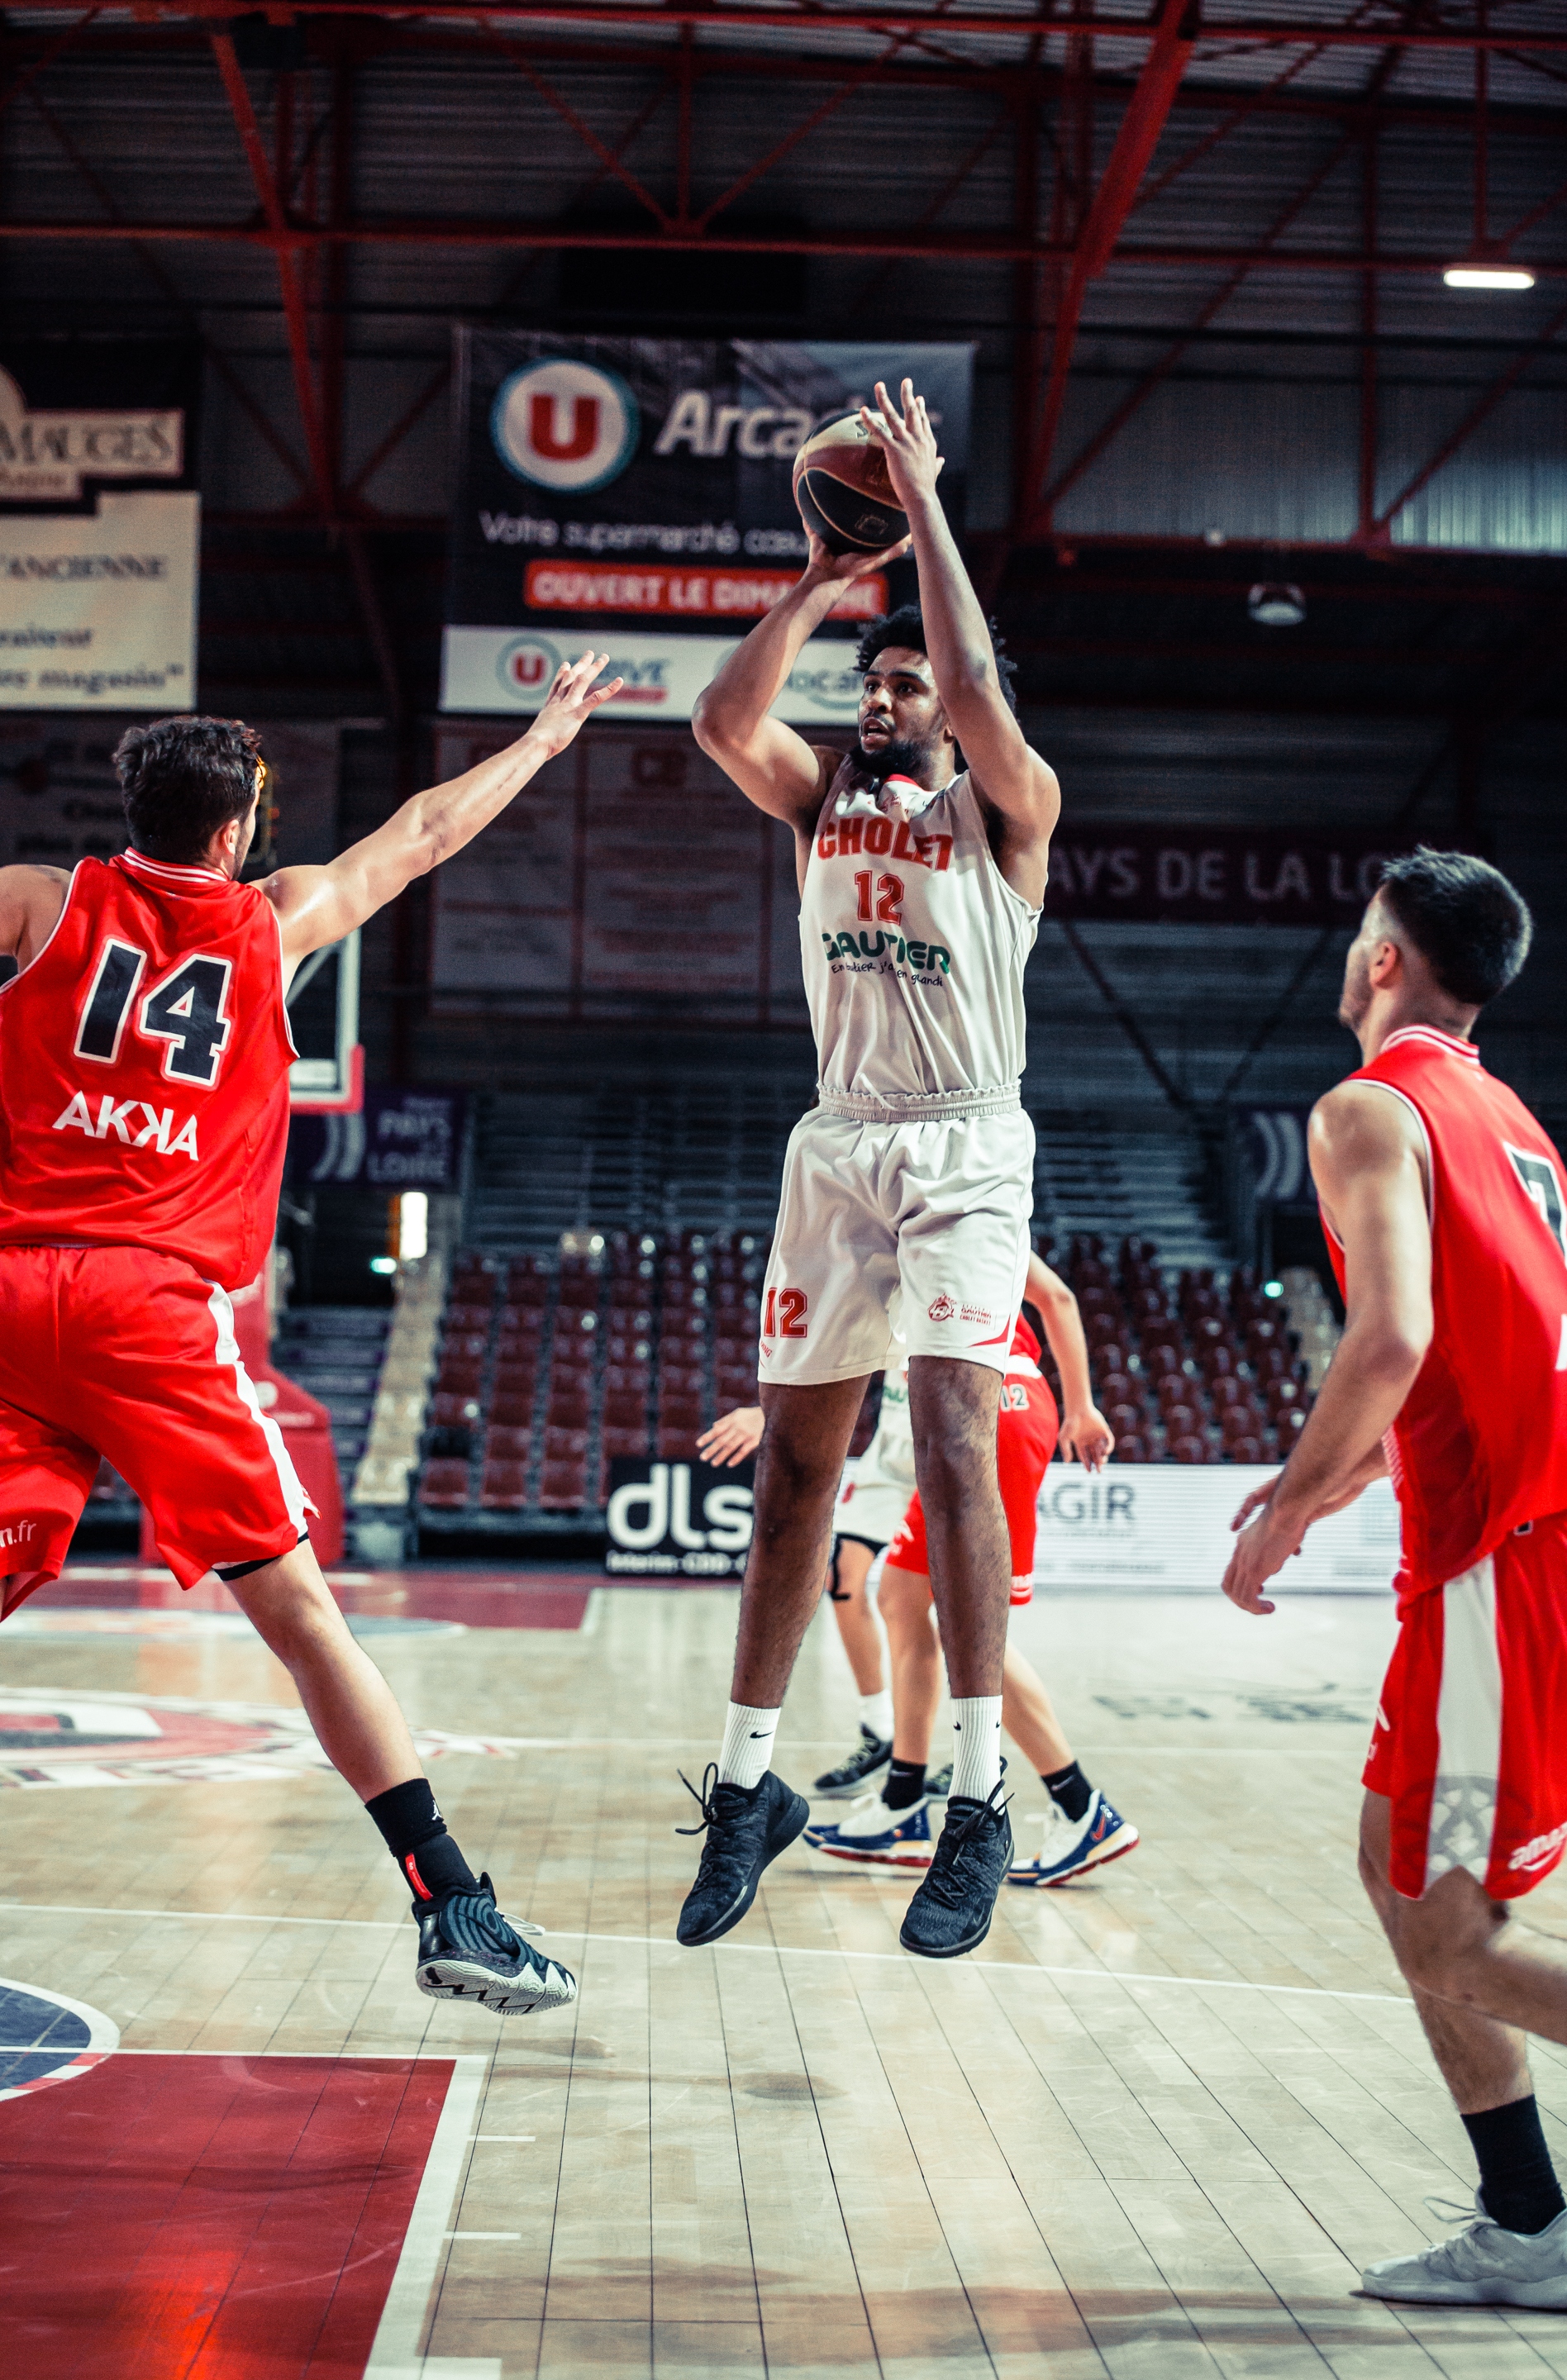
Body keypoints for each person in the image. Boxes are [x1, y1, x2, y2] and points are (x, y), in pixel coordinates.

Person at [0, 657, 621, 2016]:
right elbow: (426, 829)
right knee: (301, 1619)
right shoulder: (273, 923)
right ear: (233, 833)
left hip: (9, 1296)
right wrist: (546, 734)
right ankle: (454, 1902)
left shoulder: (44, 902)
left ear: (131, 814)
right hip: (145, 1308)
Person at [679, 378, 1061, 1961]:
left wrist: (922, 516)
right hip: (838, 1140)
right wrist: (826, 582)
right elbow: (719, 721)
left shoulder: (1009, 815)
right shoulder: (817, 799)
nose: (892, 697)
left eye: (913, 686)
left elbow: (975, 673)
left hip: (969, 1134)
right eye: (878, 682)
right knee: (794, 1482)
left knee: (957, 1439)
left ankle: (975, 1804)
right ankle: (750, 1784)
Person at [1222, 848, 1567, 2310]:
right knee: (1395, 1863)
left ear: (1384, 961)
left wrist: (1292, 1513)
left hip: (1510, 1560)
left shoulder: (1368, 1106)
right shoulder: (1511, 1120)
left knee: (1451, 1930)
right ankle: (1526, 2222)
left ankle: (1539, 2232)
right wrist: (1364, 1471)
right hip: (1519, 1544)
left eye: (1358, 937)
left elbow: (1388, 1341)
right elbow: (1488, 1354)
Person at [806, 1254, 1136, 1897]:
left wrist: (776, 1414)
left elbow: (841, 1332)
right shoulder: (981, 1202)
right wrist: (1080, 1407)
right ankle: (903, 1802)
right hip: (986, 1403)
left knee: (966, 1625)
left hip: (987, 1410)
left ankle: (1081, 1808)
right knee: (903, 1597)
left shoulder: (887, 1211)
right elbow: (1059, 1299)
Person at [699, 1373, 954, 1803]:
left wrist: (1078, 1405)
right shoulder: (889, 1305)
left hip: (950, 1450)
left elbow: (1055, 1303)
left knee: (951, 1608)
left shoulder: (972, 1305)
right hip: (892, 1459)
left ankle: (974, 1754)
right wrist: (775, 1414)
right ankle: (879, 1730)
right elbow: (844, 1358)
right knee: (842, 1579)